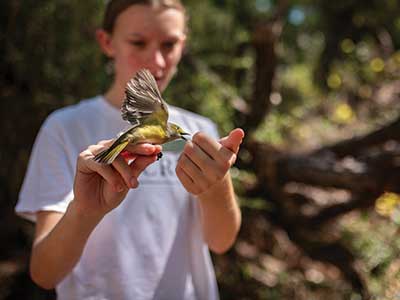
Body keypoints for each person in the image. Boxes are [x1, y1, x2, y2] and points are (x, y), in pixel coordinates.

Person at [15, 1, 244, 299]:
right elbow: (44, 274)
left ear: (183, 45)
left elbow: (221, 242)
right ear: (107, 42)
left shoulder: (201, 131)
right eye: (138, 42)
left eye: (169, 44)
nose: (157, 61)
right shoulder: (64, 128)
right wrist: (84, 211)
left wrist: (216, 186)